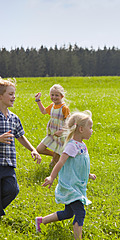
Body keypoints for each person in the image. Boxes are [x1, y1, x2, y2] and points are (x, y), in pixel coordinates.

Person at [35, 110, 96, 239]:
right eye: (90, 128)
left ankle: (41, 221)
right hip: (70, 186)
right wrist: (51, 177)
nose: (92, 131)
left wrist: (88, 174)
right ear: (80, 129)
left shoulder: (82, 145)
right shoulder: (71, 146)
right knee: (80, 212)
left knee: (68, 213)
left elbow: (79, 165)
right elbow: (60, 162)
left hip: (76, 185)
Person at [0, 78, 41, 218]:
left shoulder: (14, 118)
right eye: (10, 94)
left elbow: (20, 136)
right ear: (0, 96)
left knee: (12, 190)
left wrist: (33, 149)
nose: (14, 97)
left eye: (14, 94)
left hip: (9, 163)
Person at [35, 84, 70, 168]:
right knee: (39, 149)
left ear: (62, 96)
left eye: (56, 95)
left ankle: (56, 160)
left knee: (53, 165)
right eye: (52, 95)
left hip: (61, 136)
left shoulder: (64, 108)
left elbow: (69, 122)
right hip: (52, 134)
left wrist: (62, 131)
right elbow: (43, 111)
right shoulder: (52, 106)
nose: (54, 97)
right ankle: (56, 155)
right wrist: (38, 100)